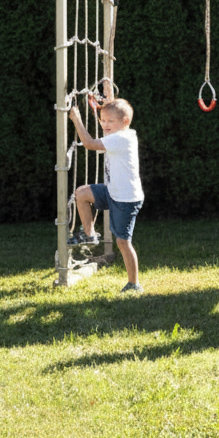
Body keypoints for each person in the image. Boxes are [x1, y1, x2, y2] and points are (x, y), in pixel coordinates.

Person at [67, 96, 145, 294]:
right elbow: (113, 110)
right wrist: (107, 96)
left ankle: (133, 284)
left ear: (125, 122)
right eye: (102, 120)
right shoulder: (121, 133)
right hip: (112, 191)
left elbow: (90, 144)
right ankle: (90, 233)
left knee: (123, 242)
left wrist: (76, 119)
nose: (104, 124)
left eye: (110, 121)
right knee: (82, 194)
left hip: (126, 199)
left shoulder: (122, 138)